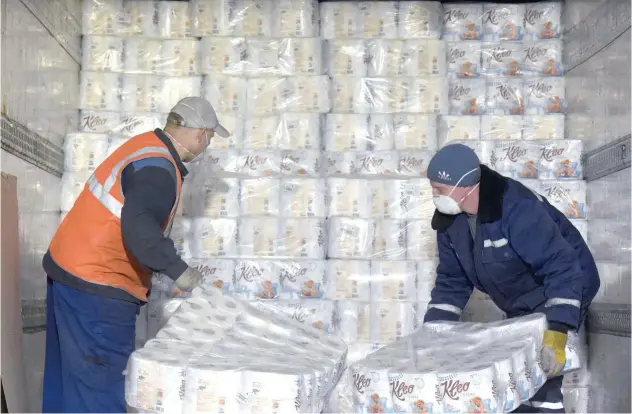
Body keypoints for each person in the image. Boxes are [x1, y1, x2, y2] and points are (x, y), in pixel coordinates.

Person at [42, 97, 229, 413]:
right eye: (209, 137)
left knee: (70, 384)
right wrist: (180, 271)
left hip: (70, 271)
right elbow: (140, 229)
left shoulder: (145, 147)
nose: (206, 144)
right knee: (100, 389)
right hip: (99, 286)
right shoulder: (158, 169)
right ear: (201, 135)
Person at [423, 144, 600, 413]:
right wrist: (432, 334)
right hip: (520, 297)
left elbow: (561, 267)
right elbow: (452, 281)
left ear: (464, 185)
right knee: (515, 379)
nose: (435, 195)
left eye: (440, 189)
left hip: (564, 283)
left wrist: (557, 330)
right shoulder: (450, 222)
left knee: (542, 375)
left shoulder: (516, 208)